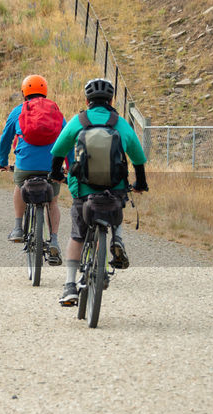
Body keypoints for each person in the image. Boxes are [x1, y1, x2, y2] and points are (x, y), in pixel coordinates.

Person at [49, 78, 148, 306]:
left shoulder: (79, 121)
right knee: (117, 205)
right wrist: (140, 183)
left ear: (87, 100)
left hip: (84, 190)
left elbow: (58, 151)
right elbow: (139, 159)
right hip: (113, 190)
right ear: (111, 100)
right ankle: (118, 239)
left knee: (77, 234)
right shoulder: (120, 123)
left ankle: (70, 285)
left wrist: (56, 174)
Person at [0, 74, 65, 264]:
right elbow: (67, 138)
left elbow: (5, 139)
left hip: (26, 164)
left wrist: (2, 160)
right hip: (51, 166)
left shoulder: (18, 111)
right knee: (53, 202)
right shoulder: (55, 110)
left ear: (24, 92)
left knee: (20, 184)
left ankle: (18, 227)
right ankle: (55, 240)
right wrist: (69, 166)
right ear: (45, 91)